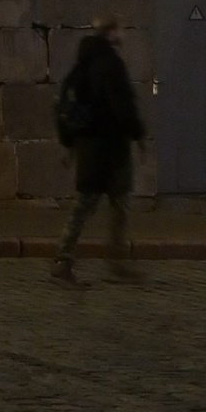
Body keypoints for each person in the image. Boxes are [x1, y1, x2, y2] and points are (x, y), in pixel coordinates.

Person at [53, 17, 145, 283]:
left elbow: (64, 104)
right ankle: (116, 262)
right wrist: (138, 134)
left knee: (83, 205)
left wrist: (69, 144)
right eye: (121, 30)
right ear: (113, 33)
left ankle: (63, 258)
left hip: (89, 149)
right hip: (113, 149)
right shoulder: (111, 64)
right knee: (120, 205)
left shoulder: (82, 64)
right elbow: (123, 106)